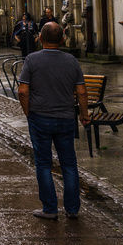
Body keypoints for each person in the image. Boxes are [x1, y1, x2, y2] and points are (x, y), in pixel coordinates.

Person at [17, 21, 88, 220]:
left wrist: (28, 113)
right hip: (66, 118)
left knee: (43, 163)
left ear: (40, 38)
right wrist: (84, 114)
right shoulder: (71, 61)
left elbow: (23, 91)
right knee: (69, 164)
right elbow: (81, 91)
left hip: (40, 118)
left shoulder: (31, 60)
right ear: (63, 39)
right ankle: (72, 209)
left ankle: (50, 209)